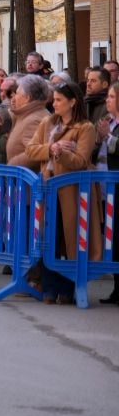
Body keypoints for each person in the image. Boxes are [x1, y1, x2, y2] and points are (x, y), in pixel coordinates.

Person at [25, 83, 98, 304]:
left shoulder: (85, 128)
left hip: (72, 192)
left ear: (72, 101)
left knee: (70, 240)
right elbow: (30, 149)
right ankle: (49, 288)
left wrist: (62, 154)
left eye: (58, 100)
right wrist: (51, 148)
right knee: (49, 238)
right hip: (48, 188)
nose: (54, 104)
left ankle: (68, 289)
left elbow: (81, 161)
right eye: (53, 99)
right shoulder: (48, 123)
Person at [94, 82, 119, 305]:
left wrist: (109, 137)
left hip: (116, 185)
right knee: (112, 236)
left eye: (111, 96)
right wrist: (99, 138)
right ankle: (116, 288)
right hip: (104, 185)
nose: (107, 100)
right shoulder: (108, 122)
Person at [5, 75, 51, 169]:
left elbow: (37, 153)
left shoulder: (34, 120)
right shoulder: (27, 115)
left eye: (17, 94)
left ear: (27, 98)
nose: (13, 98)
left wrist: (12, 165)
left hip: (28, 180)